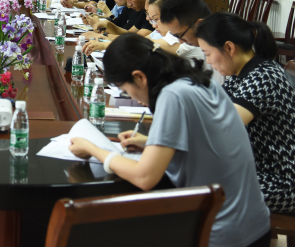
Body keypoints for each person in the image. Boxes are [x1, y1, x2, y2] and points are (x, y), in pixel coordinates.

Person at [69, 33, 271, 247]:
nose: (133, 97)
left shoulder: (173, 95)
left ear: (140, 77)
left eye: (126, 90)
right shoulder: (196, 80)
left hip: (221, 233)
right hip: (254, 224)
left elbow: (145, 177)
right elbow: (204, 139)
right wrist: (150, 142)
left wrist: (93, 148)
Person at [196, 12, 295, 213]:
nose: (208, 61)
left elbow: (219, 129)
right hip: (267, 170)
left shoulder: (263, 78)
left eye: (208, 53)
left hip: (289, 183)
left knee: (197, 187)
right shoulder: (244, 73)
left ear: (229, 48)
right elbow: (209, 110)